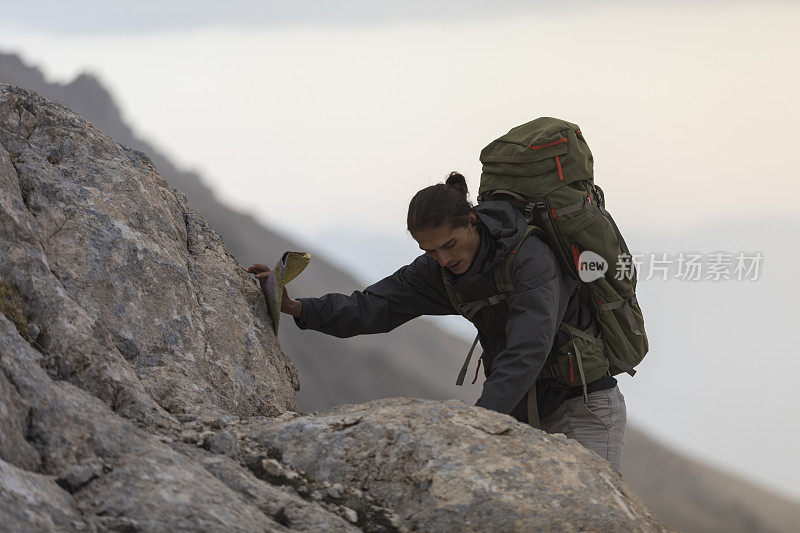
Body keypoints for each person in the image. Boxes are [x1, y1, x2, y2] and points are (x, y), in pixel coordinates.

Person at [248, 172, 627, 473]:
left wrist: (477, 423)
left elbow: (527, 350)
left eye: (449, 244)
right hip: (520, 409)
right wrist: (298, 307)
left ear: (472, 221)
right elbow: (372, 306)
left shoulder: (530, 257)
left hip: (583, 407)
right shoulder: (438, 270)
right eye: (429, 251)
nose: (443, 259)